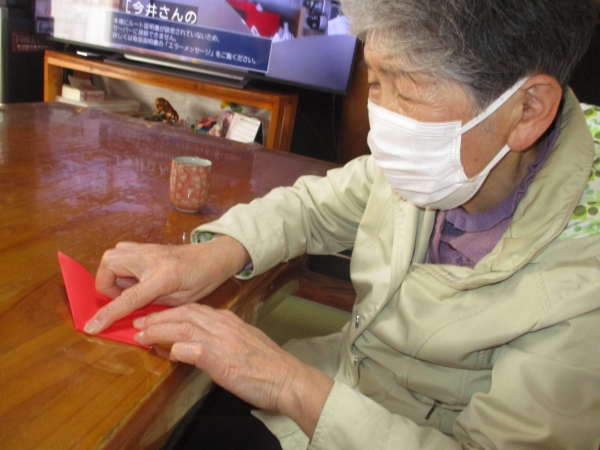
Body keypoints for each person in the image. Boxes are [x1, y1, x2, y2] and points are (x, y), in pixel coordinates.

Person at [84, 0, 600, 448]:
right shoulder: (443, 162)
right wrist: (212, 254)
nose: (384, 121)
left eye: (408, 93)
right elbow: (313, 207)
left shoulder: (584, 278)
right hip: (336, 384)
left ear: (527, 109)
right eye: (375, 82)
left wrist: (288, 383)